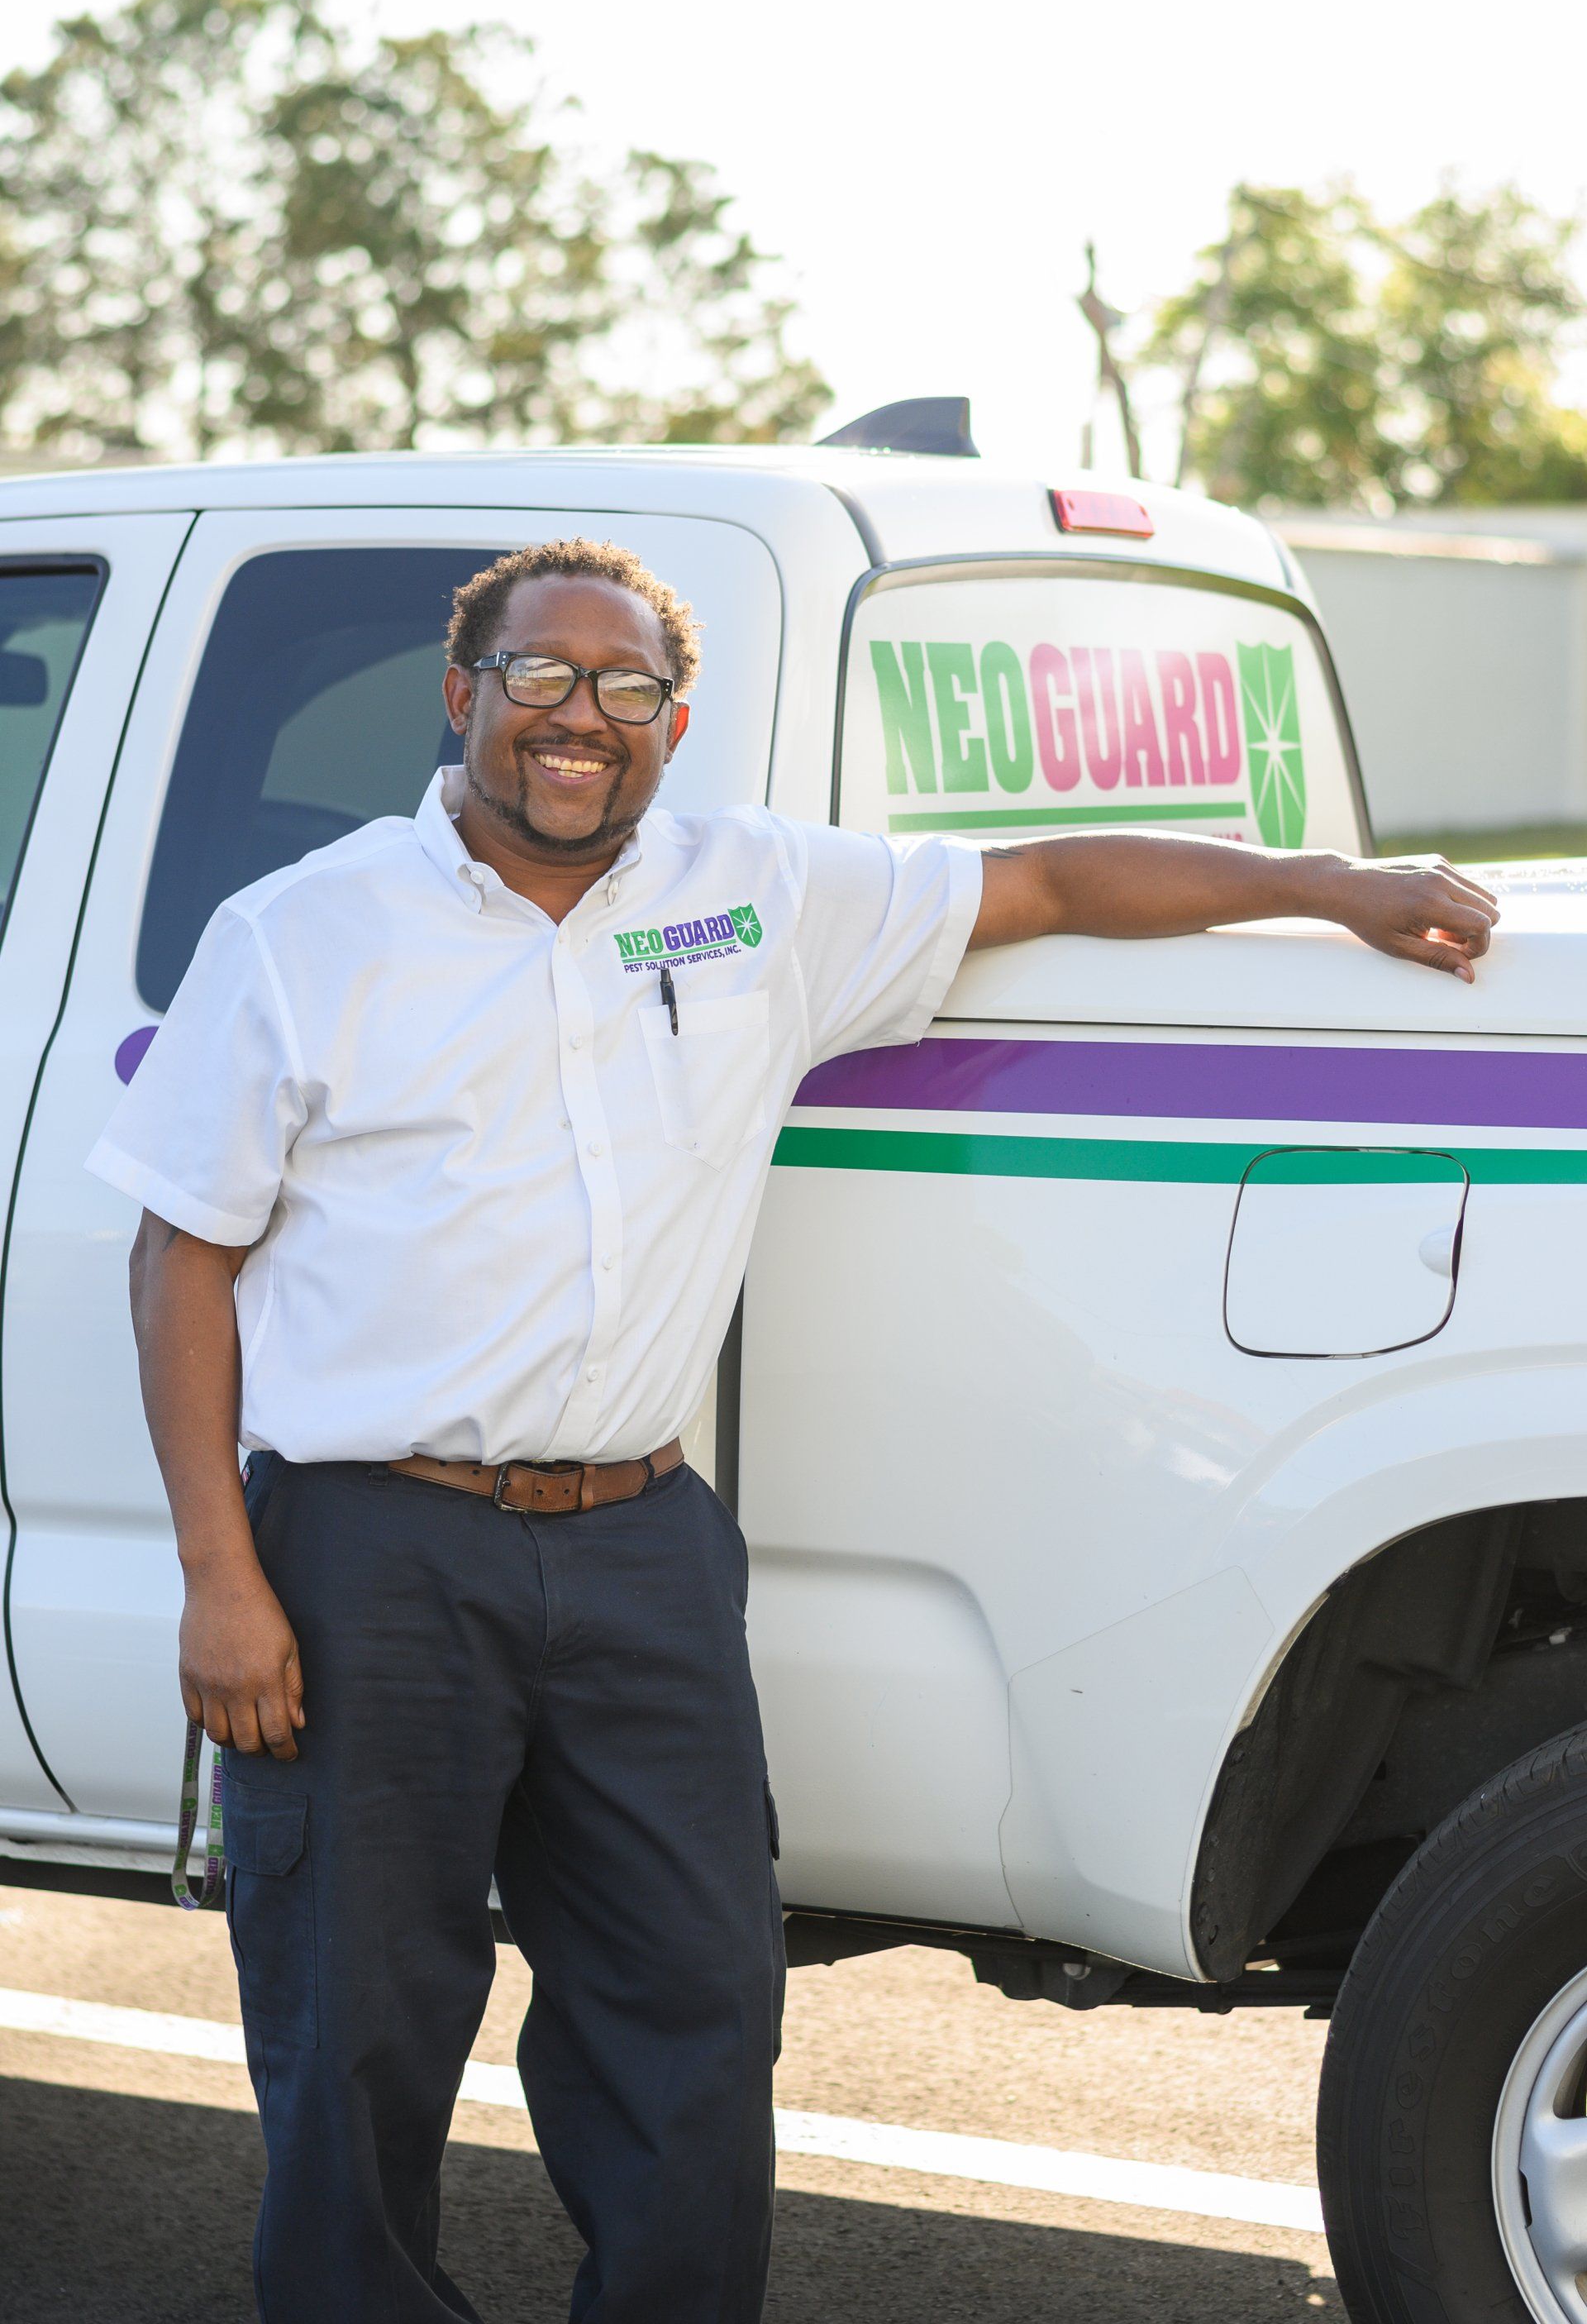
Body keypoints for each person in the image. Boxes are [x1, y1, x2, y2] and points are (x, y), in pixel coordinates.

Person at [89, 537, 1499, 2324]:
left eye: (626, 689)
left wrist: (1323, 885)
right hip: (375, 1548)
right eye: (541, 678)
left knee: (693, 2001)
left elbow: (1052, 879)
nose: (580, 719)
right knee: (357, 2018)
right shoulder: (308, 934)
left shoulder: (749, 893)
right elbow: (181, 1256)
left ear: (674, 723)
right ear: (464, 697)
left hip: (640, 1547)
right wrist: (222, 1573)